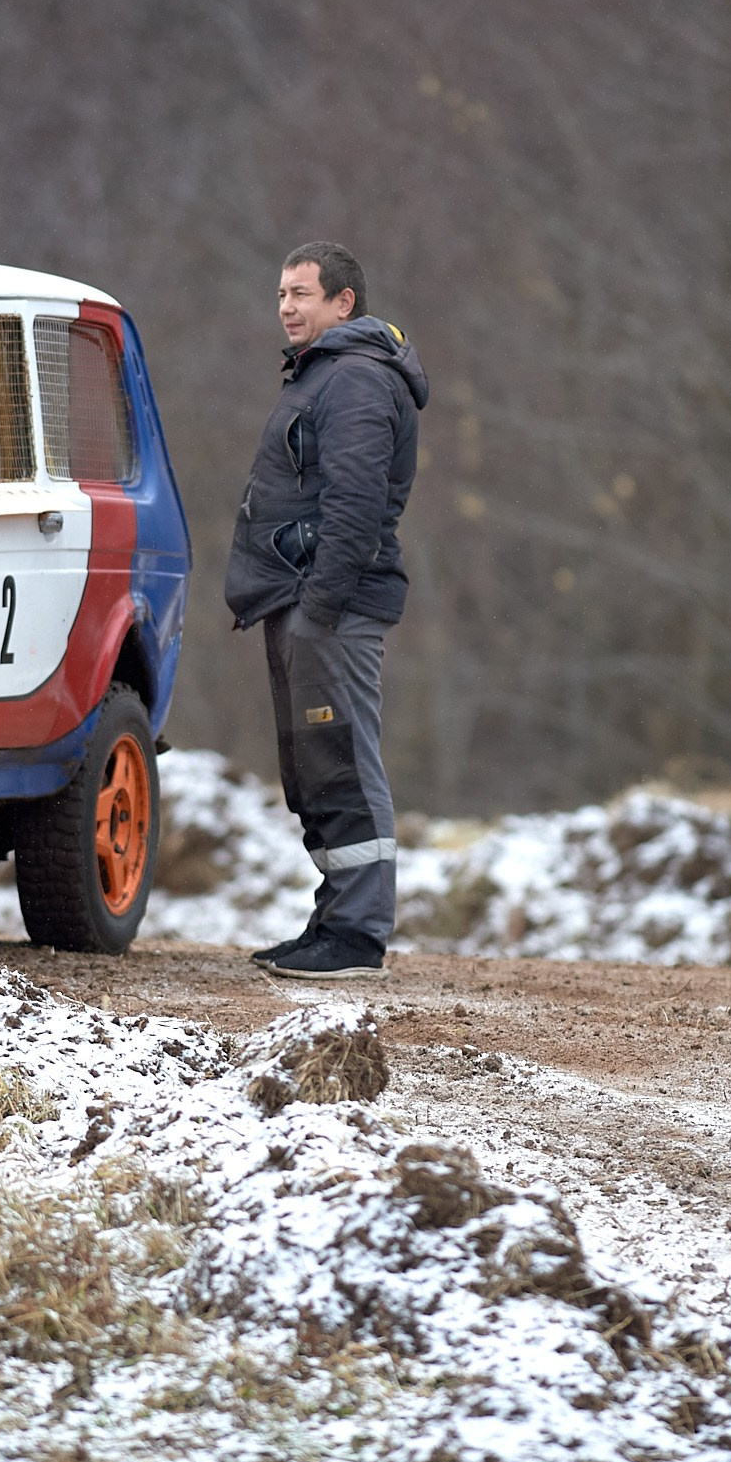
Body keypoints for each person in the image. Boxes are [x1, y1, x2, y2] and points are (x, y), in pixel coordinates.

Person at [225, 241, 428, 981]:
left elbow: (356, 504)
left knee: (343, 759)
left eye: (302, 293)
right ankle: (335, 918)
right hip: (300, 601)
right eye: (280, 293)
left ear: (344, 302)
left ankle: (359, 934)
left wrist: (320, 606)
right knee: (315, 766)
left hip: (330, 607)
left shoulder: (357, 381)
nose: (285, 306)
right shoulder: (325, 376)